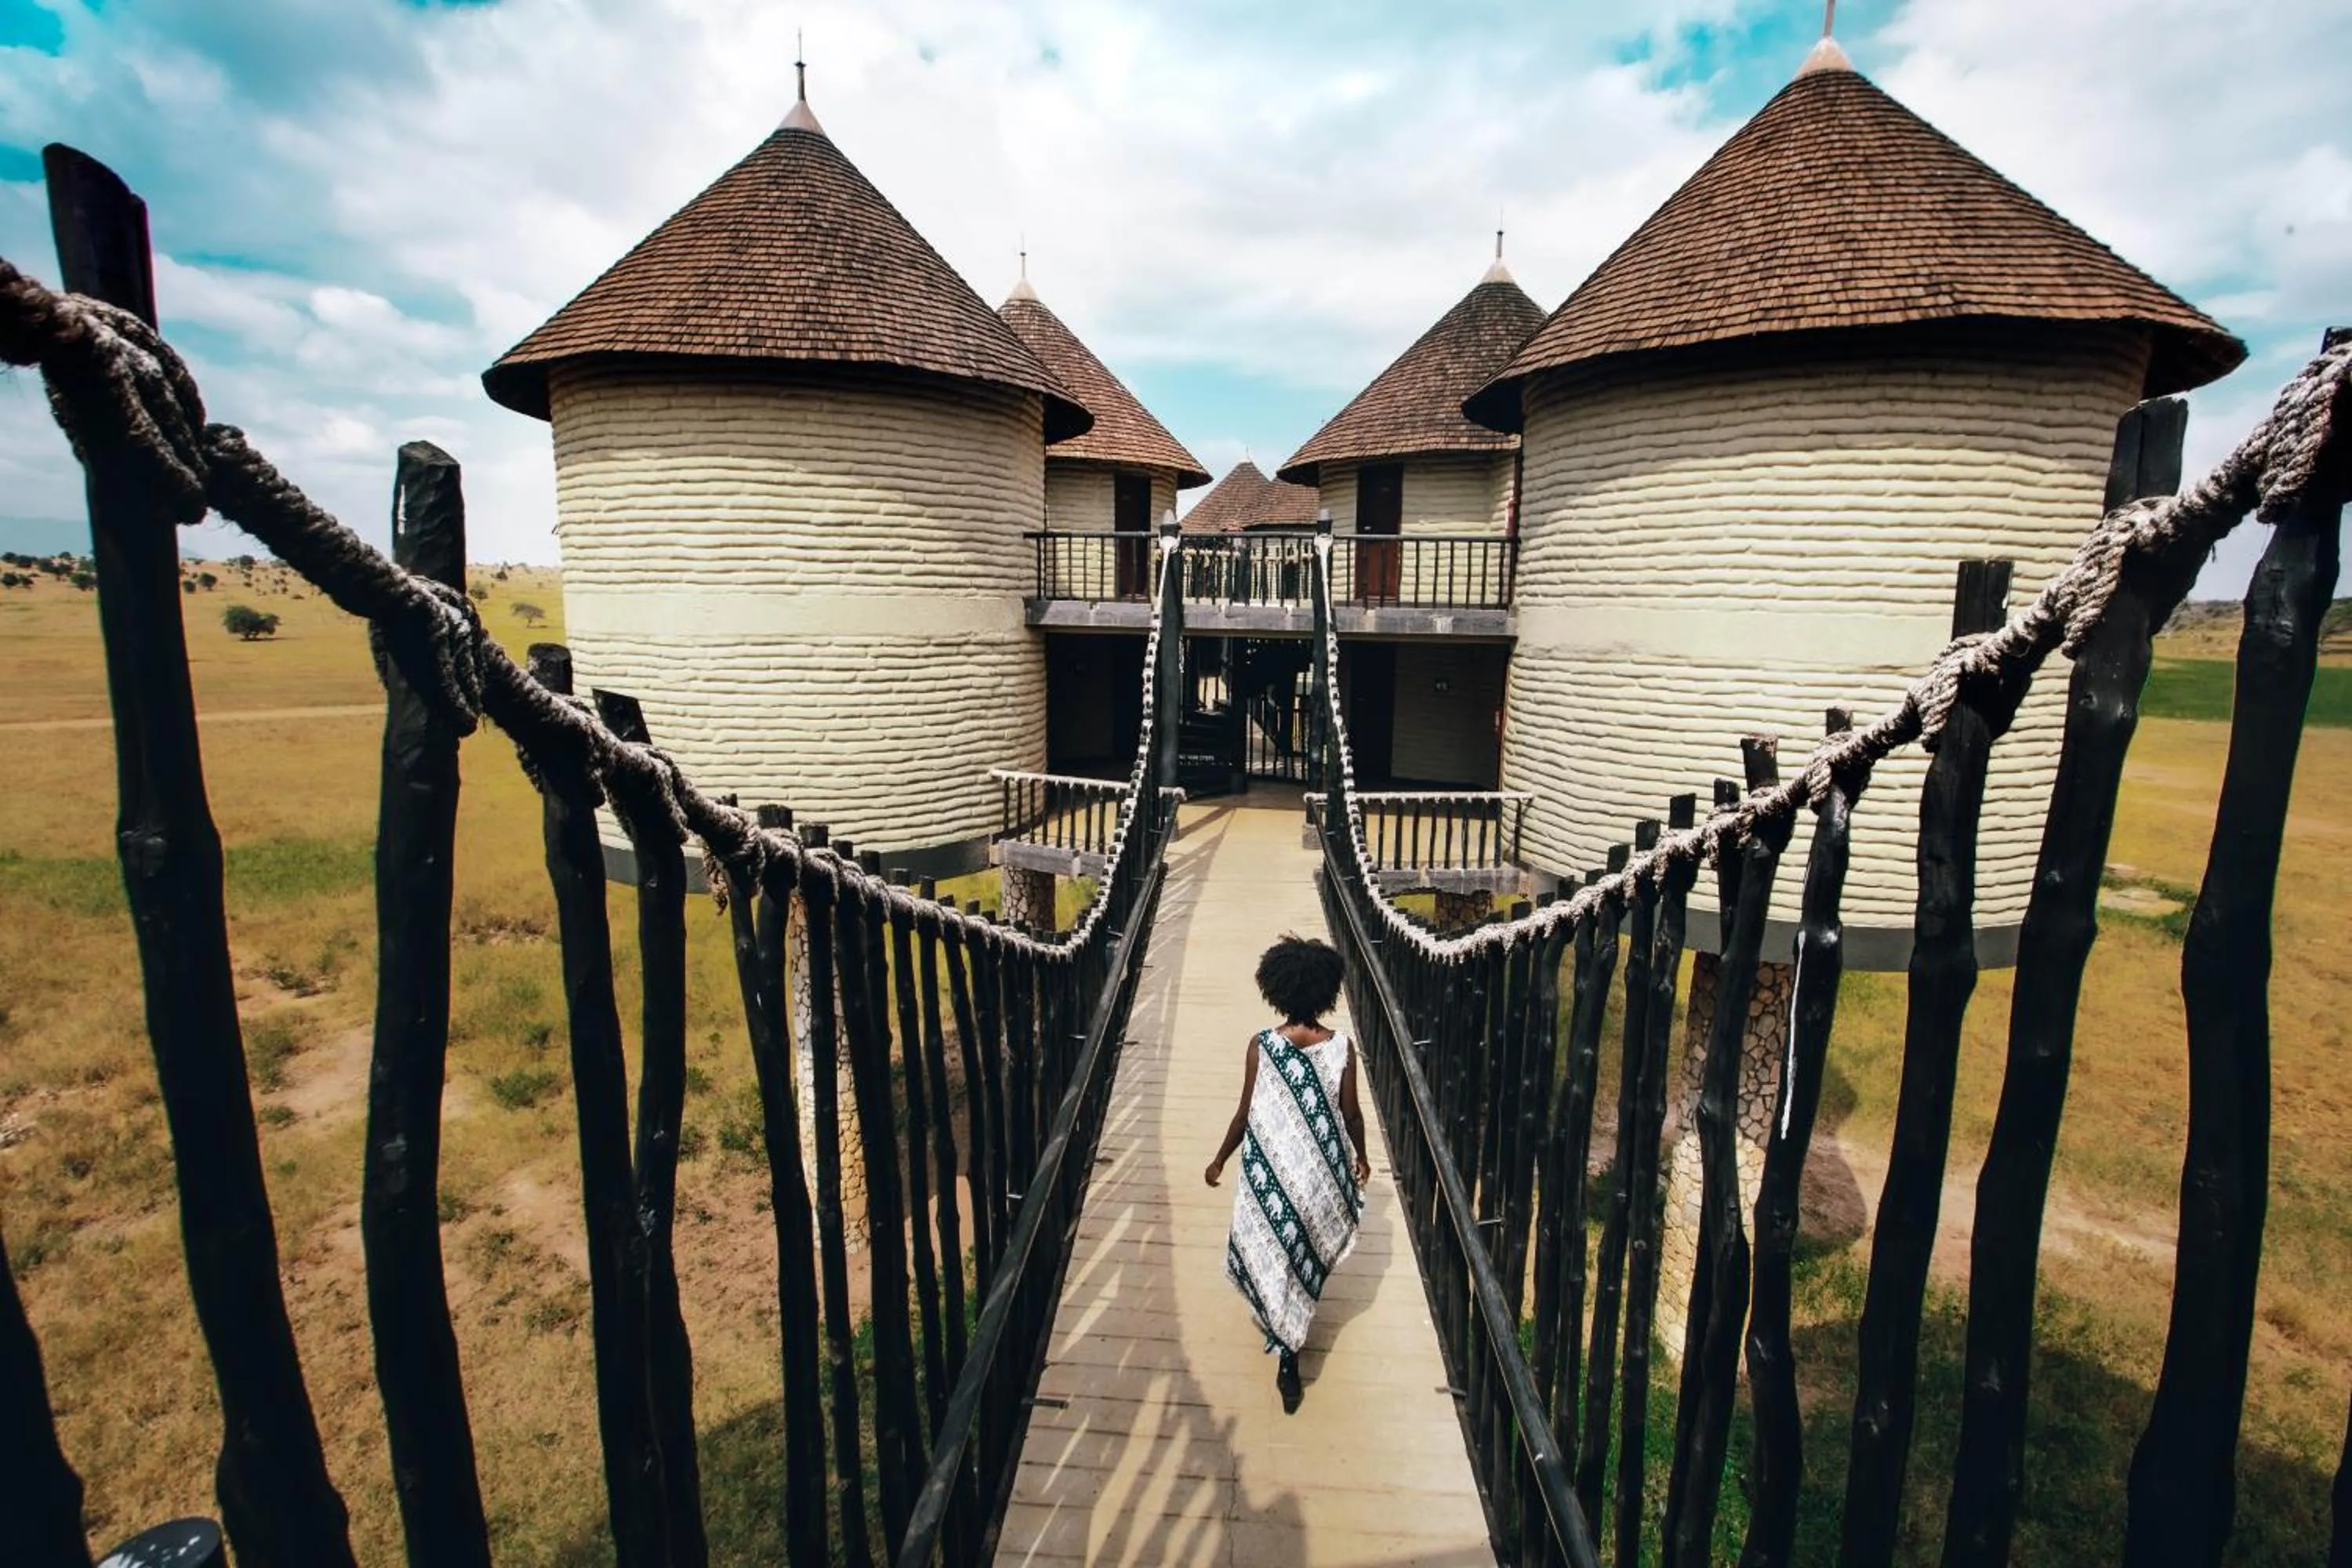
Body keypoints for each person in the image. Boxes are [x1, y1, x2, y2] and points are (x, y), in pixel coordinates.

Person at [1205, 933, 1370, 1413]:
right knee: (1301, 1256)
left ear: (1275, 990)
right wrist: (1359, 1157)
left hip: (1269, 1174)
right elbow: (1352, 1115)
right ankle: (1289, 1342)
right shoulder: (1341, 1048)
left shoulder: (1262, 1046)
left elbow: (1243, 1115)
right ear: (1326, 993)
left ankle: (1284, 1347)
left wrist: (1219, 1159)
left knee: (1272, 1251)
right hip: (1317, 1177)